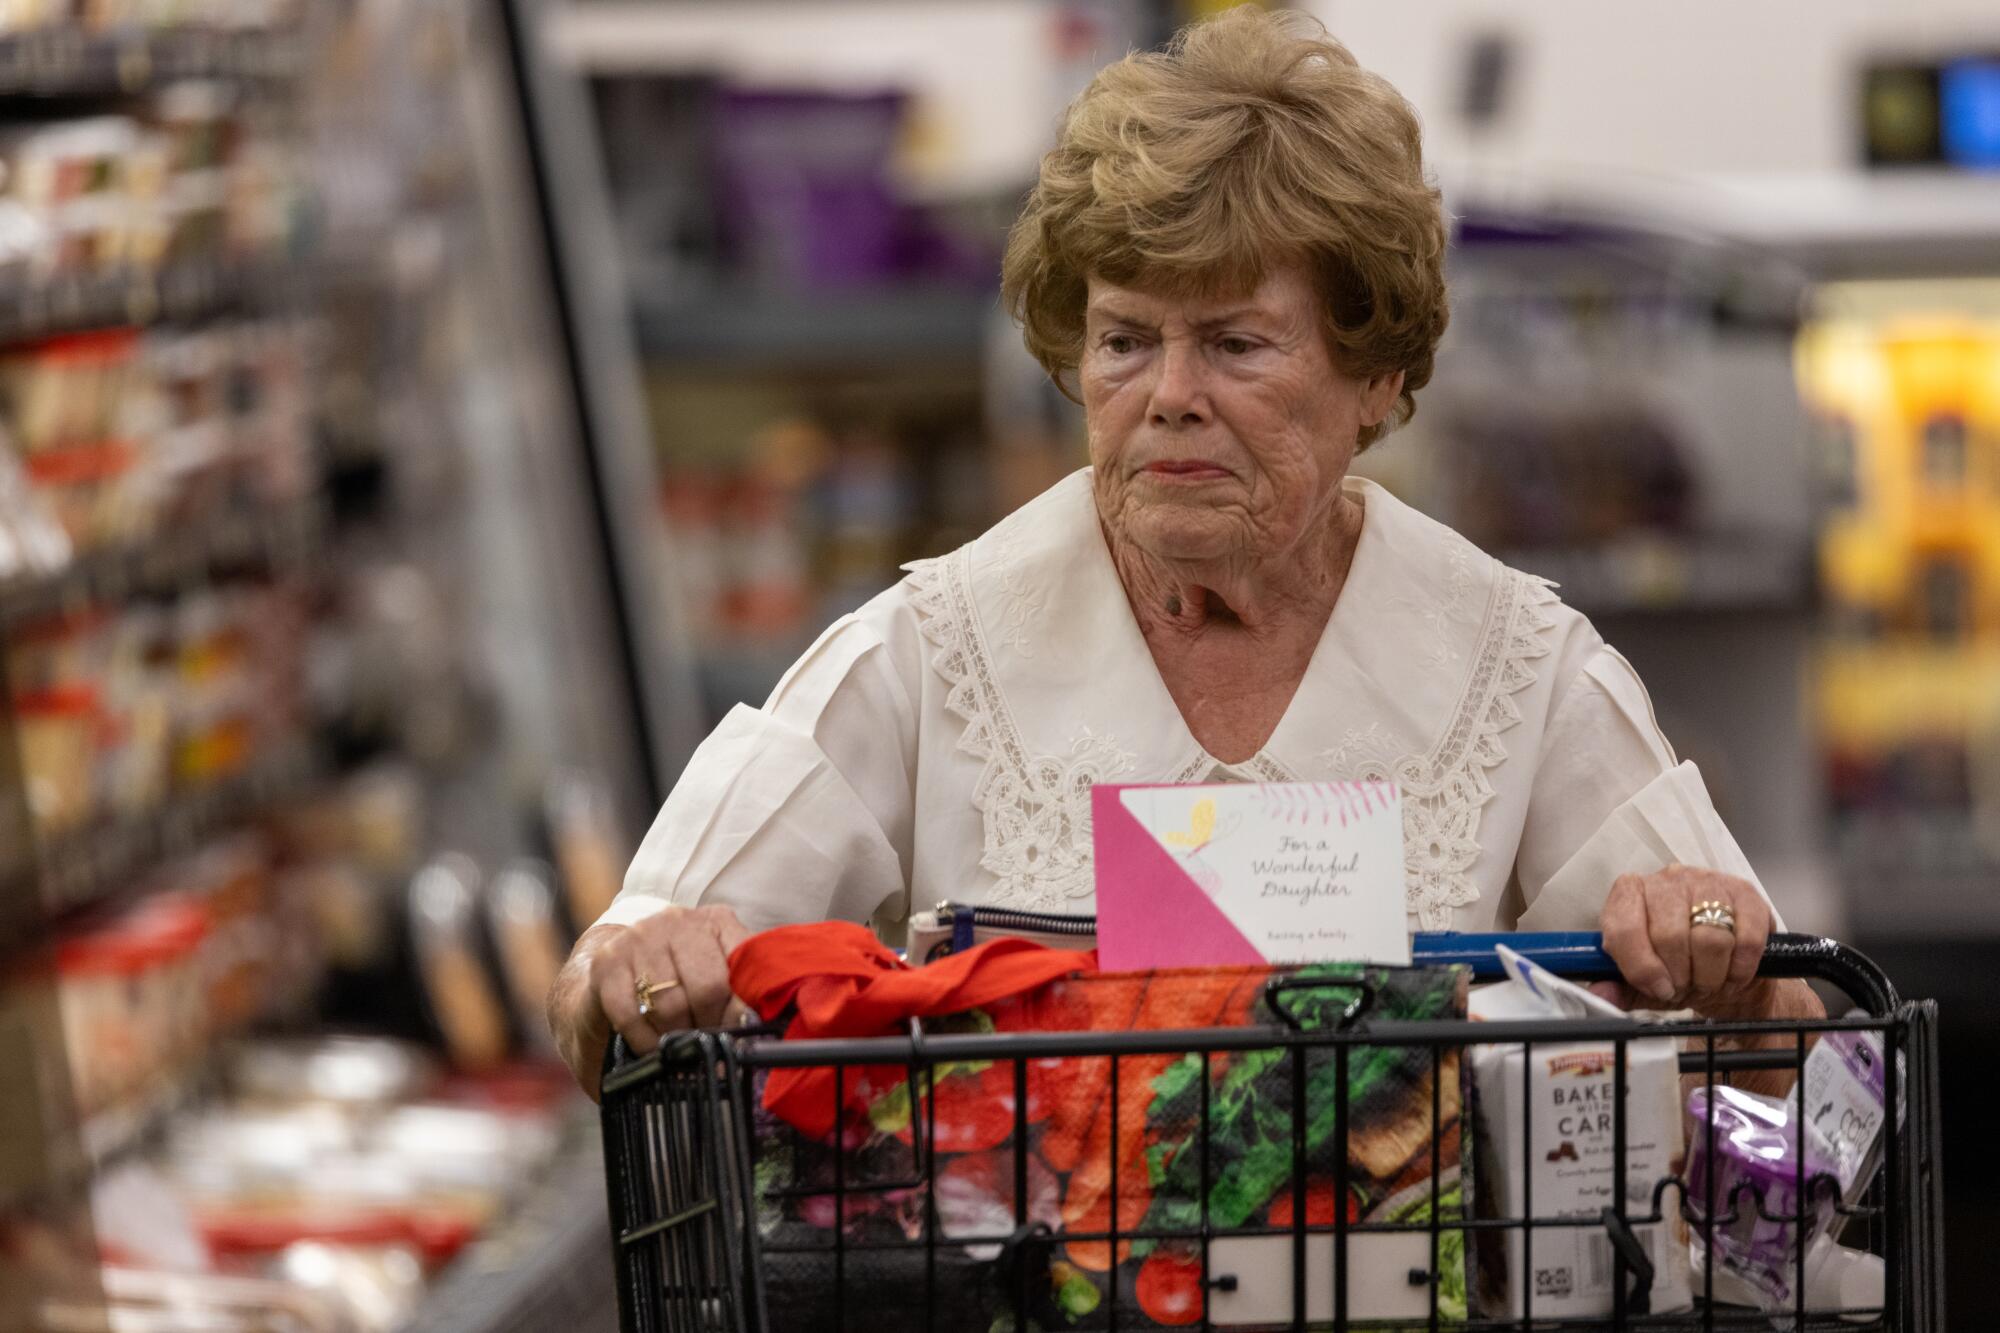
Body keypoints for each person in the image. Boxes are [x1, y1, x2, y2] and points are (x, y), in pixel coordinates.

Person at [548, 8, 1819, 1095]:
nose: (1167, 394)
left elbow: (1796, 1058)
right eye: (1121, 340)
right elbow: (607, 989)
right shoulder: (930, 650)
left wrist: (1714, 950)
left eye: (1235, 343)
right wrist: (644, 971)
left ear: (1373, 371)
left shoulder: (1518, 666)